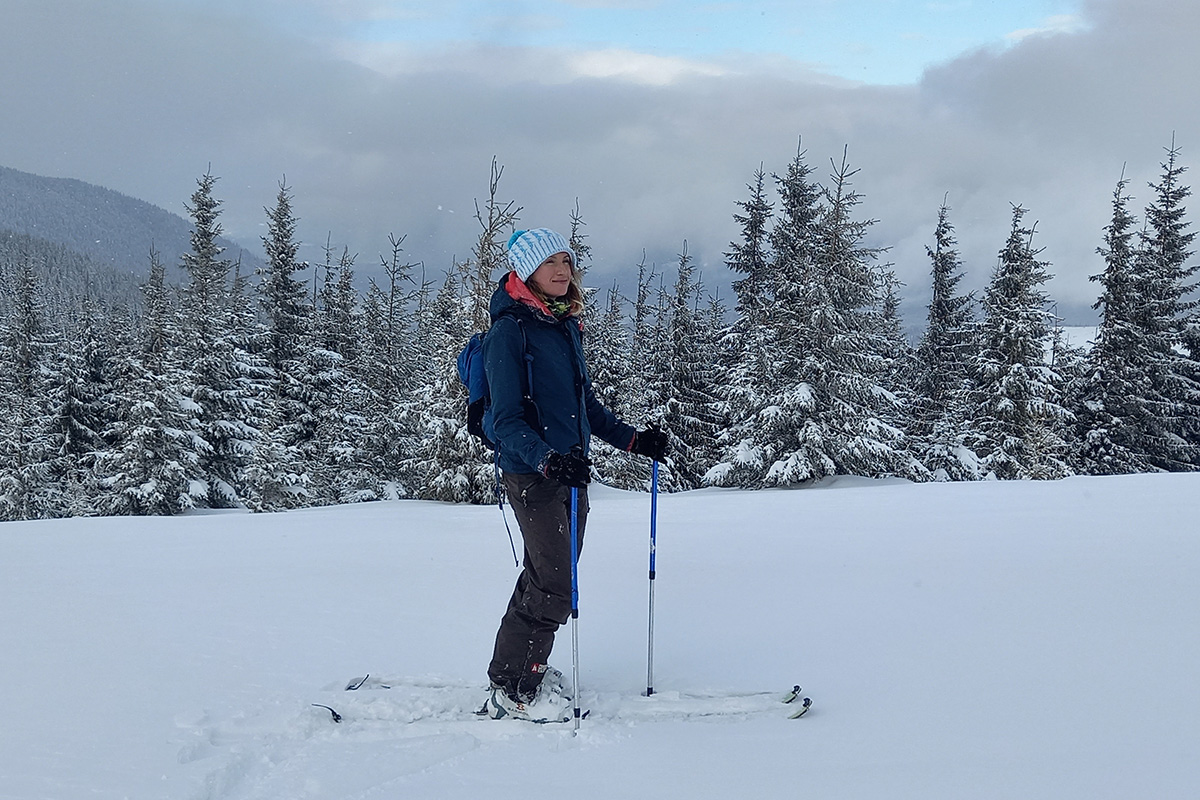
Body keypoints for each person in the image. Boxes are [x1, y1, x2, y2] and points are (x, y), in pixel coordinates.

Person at [480, 227, 668, 722]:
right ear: (528, 273)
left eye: (566, 261)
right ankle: (515, 688)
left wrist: (633, 439)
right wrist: (547, 460)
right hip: (533, 476)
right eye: (551, 264)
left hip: (570, 475)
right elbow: (506, 421)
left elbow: (583, 406)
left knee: (547, 578)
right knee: (557, 586)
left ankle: (516, 671)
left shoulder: (563, 326)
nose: (563, 271)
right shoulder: (509, 332)